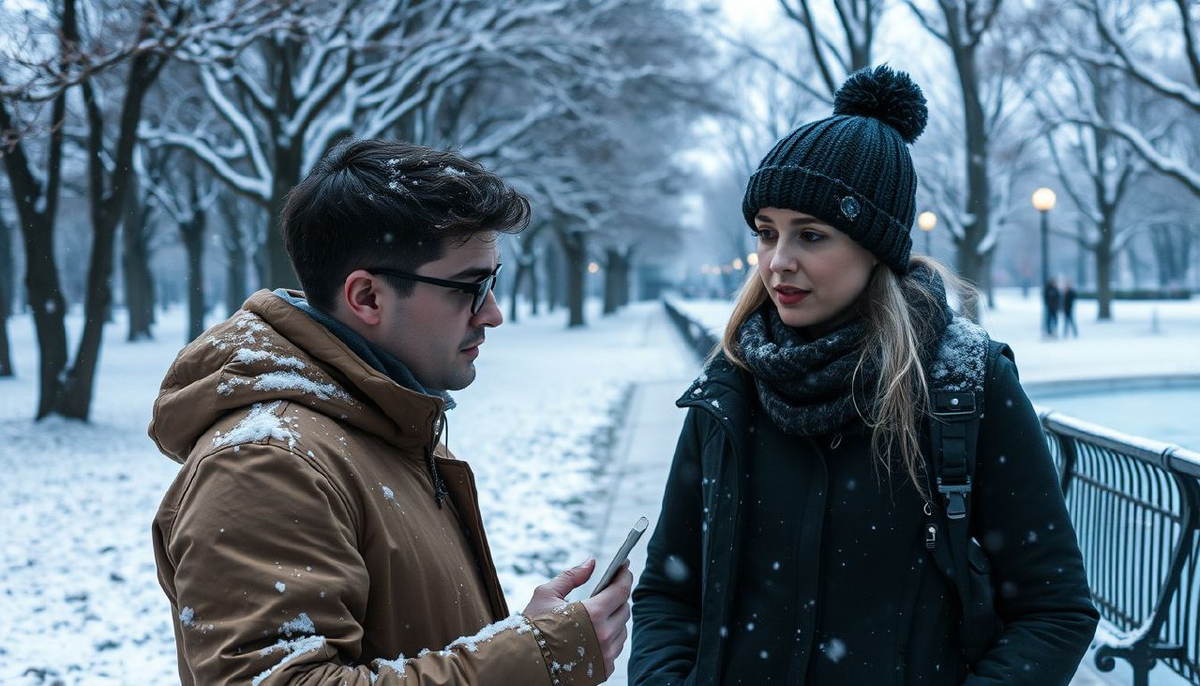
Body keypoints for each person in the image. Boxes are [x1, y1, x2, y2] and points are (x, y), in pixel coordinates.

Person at [629, 66, 1098, 685]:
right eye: (767, 234)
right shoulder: (733, 383)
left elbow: (1053, 608)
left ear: (876, 247)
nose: (778, 262)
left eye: (811, 235)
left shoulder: (962, 383)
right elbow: (669, 587)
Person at [150, 139, 630, 685]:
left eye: (494, 283)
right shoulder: (265, 464)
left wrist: (525, 638)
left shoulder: (383, 423)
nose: (493, 314)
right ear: (367, 298)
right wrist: (534, 659)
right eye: (471, 288)